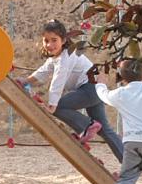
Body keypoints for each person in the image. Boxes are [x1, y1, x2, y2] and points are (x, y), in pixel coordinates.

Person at [24, 19, 124, 162]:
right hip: (94, 89)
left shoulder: (66, 56)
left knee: (59, 107)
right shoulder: (55, 58)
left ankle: (87, 125)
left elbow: (58, 81)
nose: (50, 45)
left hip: (90, 88)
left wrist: (52, 105)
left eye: (54, 40)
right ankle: (128, 163)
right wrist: (24, 81)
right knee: (104, 130)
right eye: (46, 41)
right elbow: (42, 72)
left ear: (64, 40)